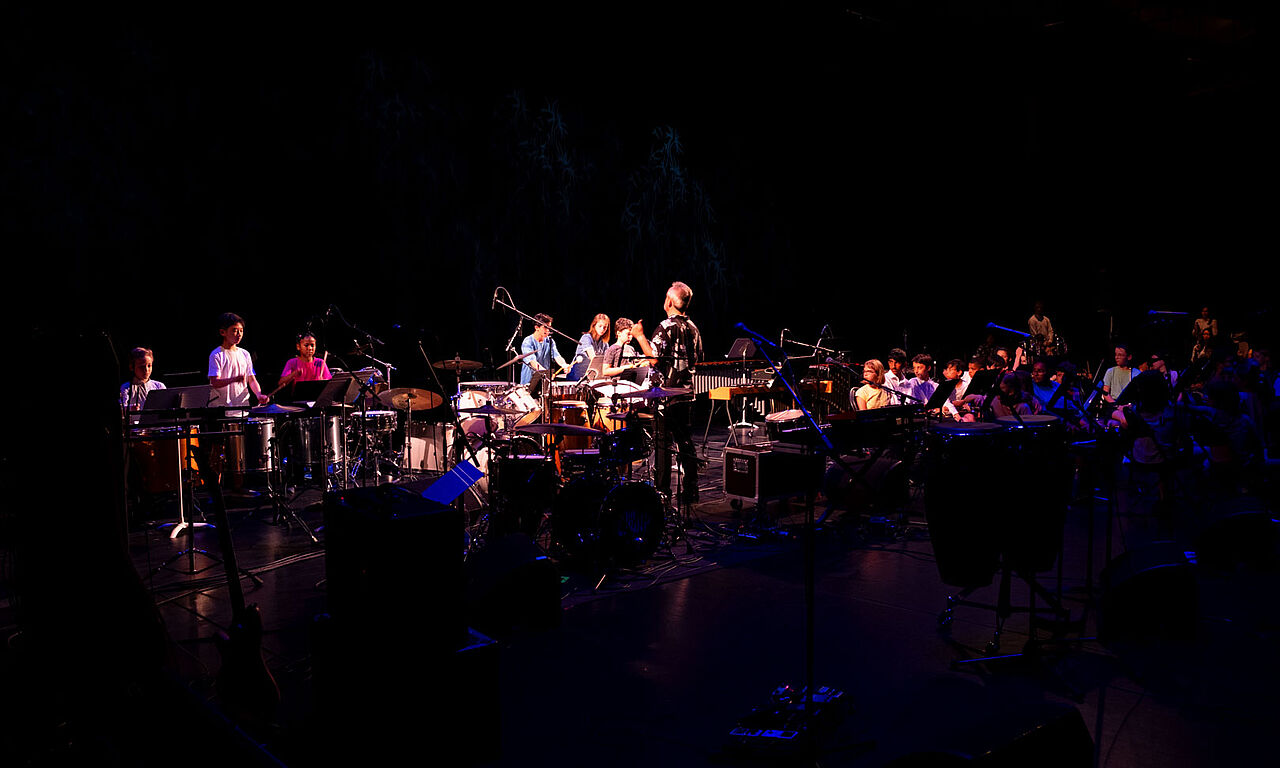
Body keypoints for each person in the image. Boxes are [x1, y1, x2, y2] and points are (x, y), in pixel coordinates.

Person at [633, 281, 704, 503]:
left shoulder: (665, 326)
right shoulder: (693, 328)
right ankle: (691, 490)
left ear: (670, 301)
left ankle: (662, 492)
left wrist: (639, 336)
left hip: (665, 395)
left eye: (666, 296)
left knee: (662, 443)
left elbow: (654, 358)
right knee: (685, 441)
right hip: (686, 393)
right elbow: (698, 358)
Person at [208, 312, 269, 410]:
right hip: (220, 409)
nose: (239, 334)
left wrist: (259, 394)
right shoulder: (216, 354)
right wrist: (234, 379)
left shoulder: (245, 354)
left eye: (241, 331)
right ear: (223, 332)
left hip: (242, 408)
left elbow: (251, 379)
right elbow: (215, 382)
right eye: (235, 330)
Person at [519, 313, 572, 386]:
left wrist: (564, 365)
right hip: (529, 382)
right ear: (537, 327)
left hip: (544, 381)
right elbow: (533, 363)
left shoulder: (549, 341)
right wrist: (546, 374)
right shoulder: (528, 341)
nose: (548, 330)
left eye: (549, 327)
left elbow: (557, 356)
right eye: (545, 327)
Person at [120, 347, 166, 411]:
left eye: (149, 366)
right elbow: (122, 408)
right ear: (132, 367)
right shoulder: (127, 387)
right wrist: (130, 408)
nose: (146, 370)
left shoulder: (159, 386)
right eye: (142, 367)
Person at [569, 314, 611, 380]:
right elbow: (594, 359)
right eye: (600, 326)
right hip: (577, 377)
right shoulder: (586, 338)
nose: (602, 329)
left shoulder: (604, 343)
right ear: (594, 325)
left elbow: (607, 360)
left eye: (605, 327)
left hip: (592, 377)